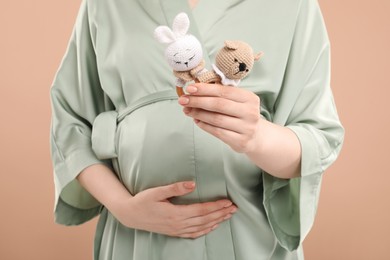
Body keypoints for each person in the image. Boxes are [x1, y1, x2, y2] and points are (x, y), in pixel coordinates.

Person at [50, 0, 344, 259]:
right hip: (137, 242)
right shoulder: (105, 4)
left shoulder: (293, 5)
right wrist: (124, 208)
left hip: (249, 236)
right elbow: (71, 125)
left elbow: (318, 138)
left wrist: (256, 135)